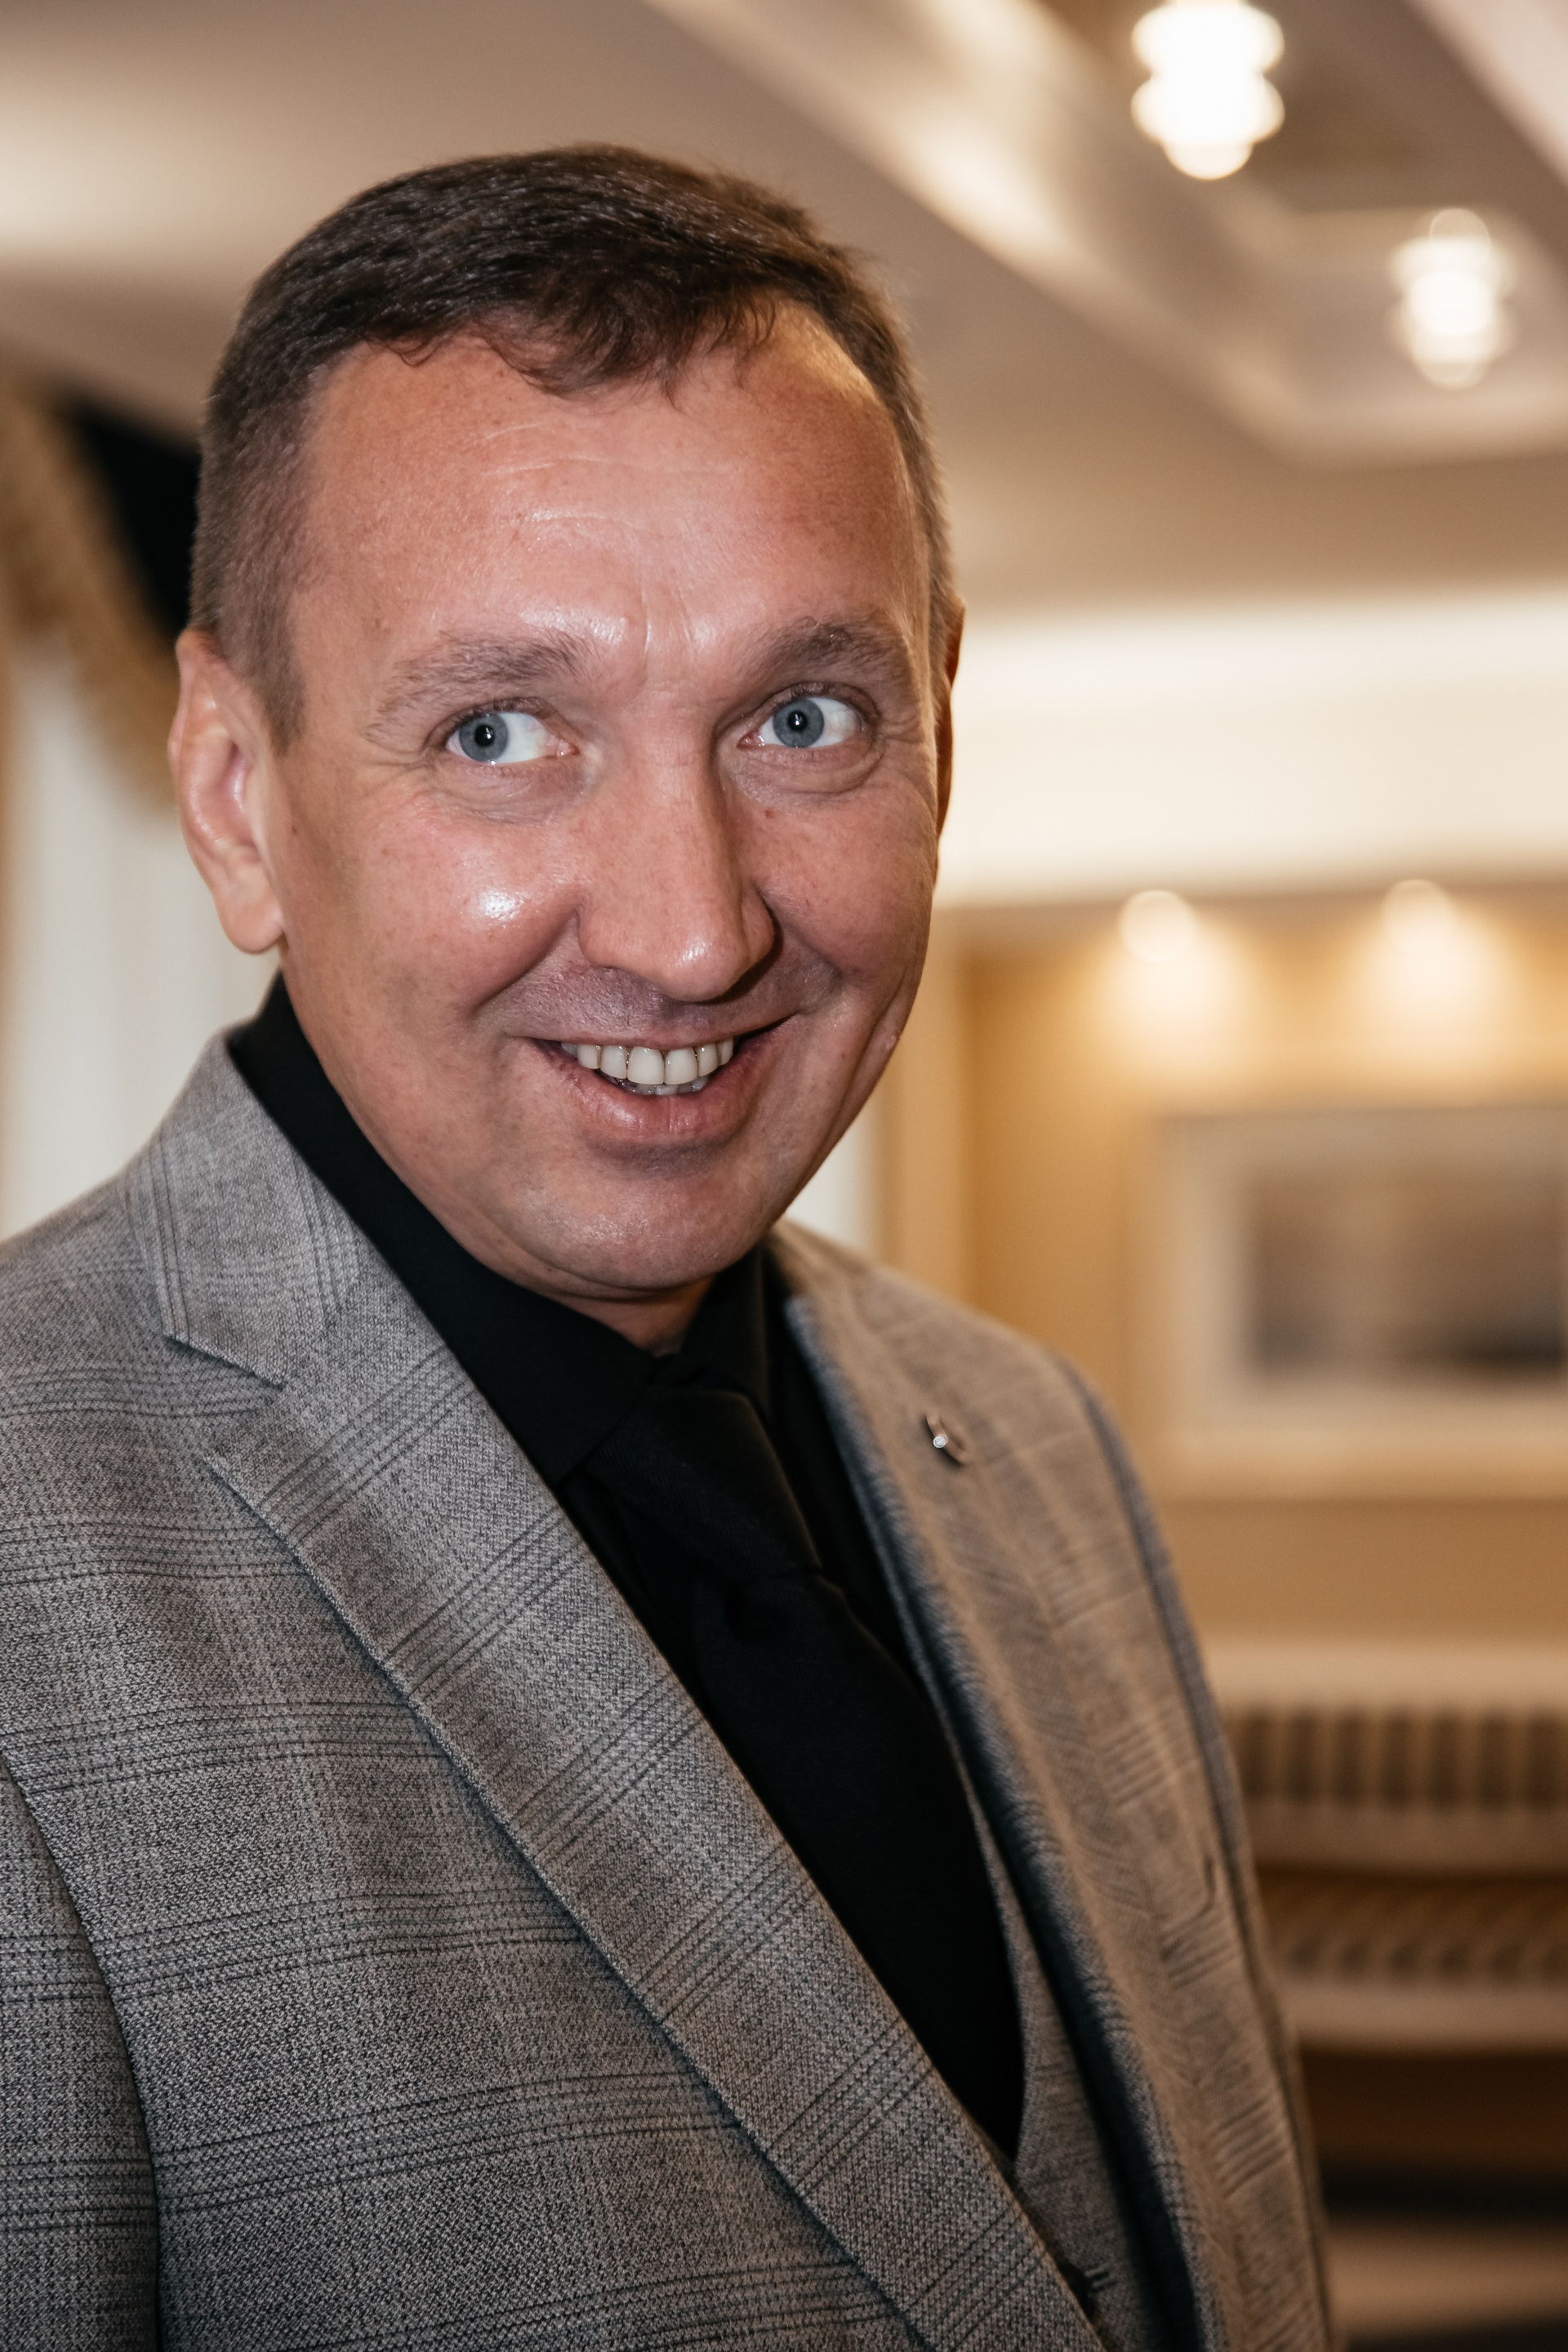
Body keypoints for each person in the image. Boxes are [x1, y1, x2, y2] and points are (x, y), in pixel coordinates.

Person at [0, 149, 1330, 2350]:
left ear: (941, 727)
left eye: (803, 720)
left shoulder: (1036, 1451)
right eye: (500, 734)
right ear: (237, 796)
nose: (695, 929)